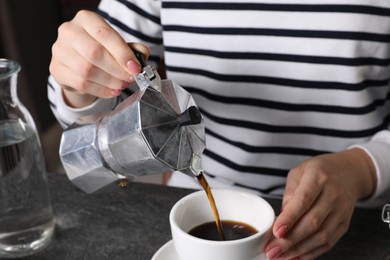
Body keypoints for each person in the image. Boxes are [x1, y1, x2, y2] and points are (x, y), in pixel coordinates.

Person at [48, 1, 390, 259]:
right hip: (186, 192)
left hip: (352, 218)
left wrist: (360, 169)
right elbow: (75, 104)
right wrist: (79, 78)